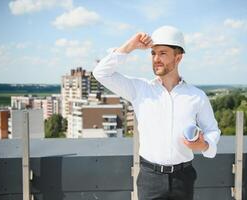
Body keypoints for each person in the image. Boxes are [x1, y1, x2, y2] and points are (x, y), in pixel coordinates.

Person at [93, 25, 221, 200]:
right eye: (153, 53)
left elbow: (213, 130)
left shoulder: (196, 96)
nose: (156, 59)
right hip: (149, 178)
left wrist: (204, 145)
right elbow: (101, 73)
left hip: (183, 178)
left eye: (162, 53)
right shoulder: (139, 89)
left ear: (178, 57)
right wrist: (129, 47)